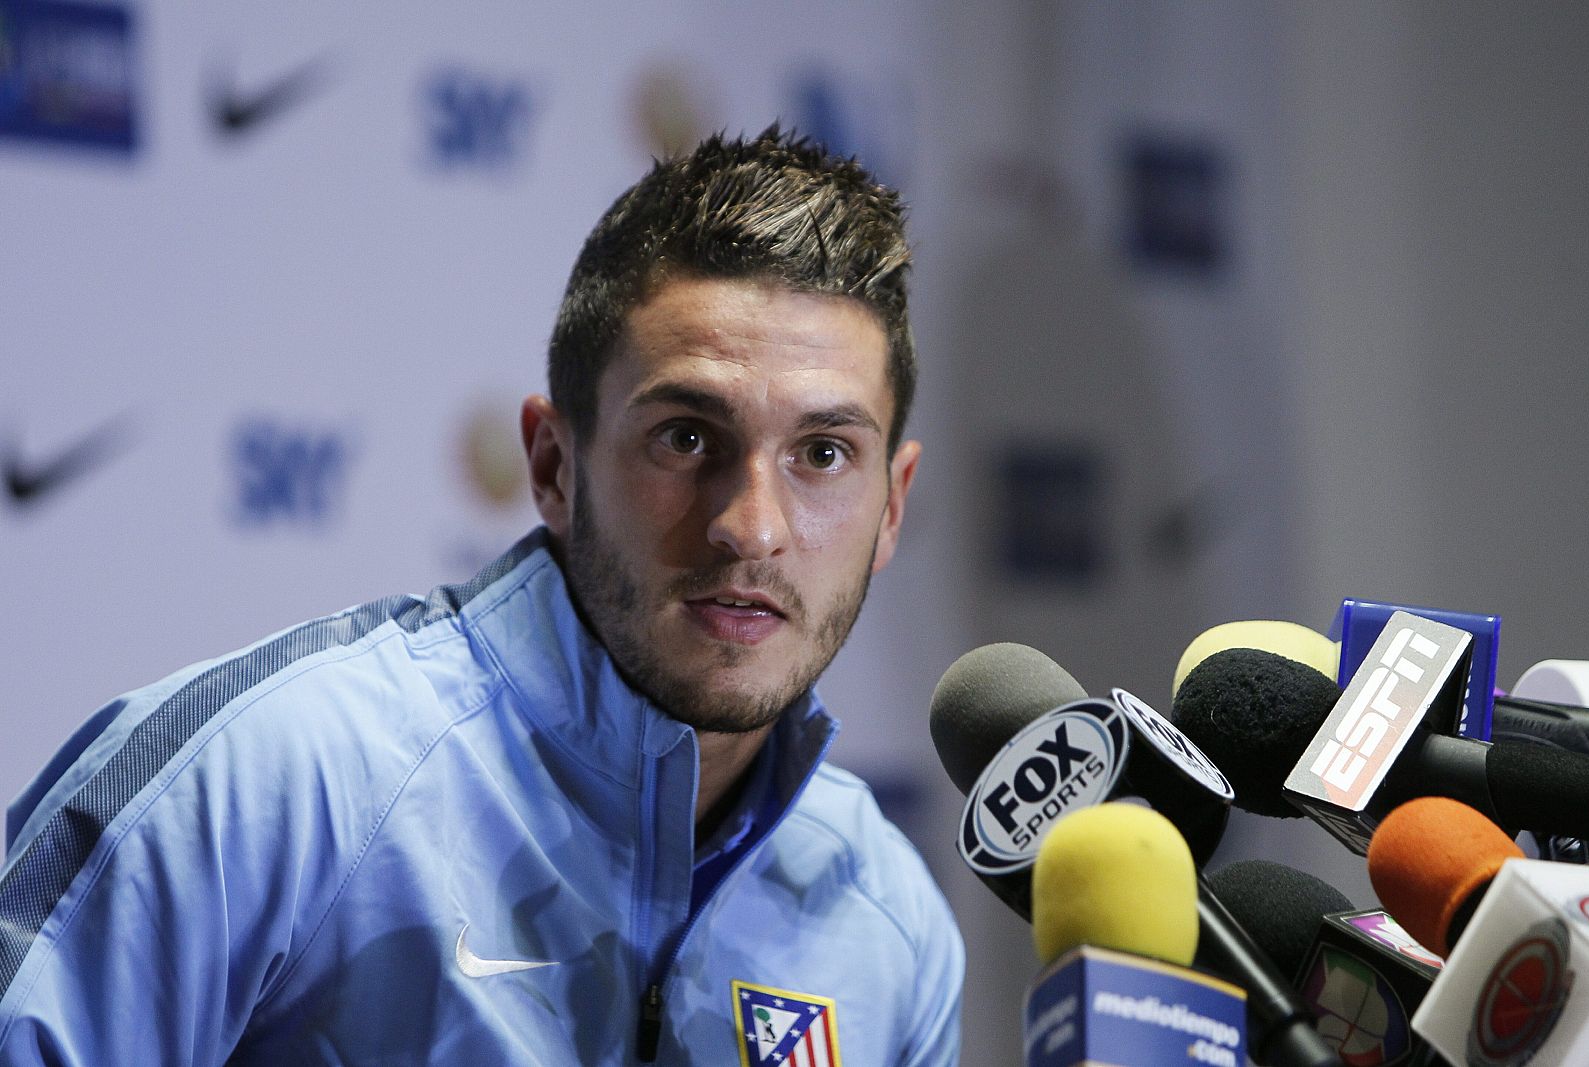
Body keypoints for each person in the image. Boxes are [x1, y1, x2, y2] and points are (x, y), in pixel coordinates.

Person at [0, 126, 964, 1065]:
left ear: (892, 504)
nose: (752, 526)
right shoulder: (271, 783)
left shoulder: (888, 918)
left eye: (824, 453)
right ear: (553, 463)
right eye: (684, 437)